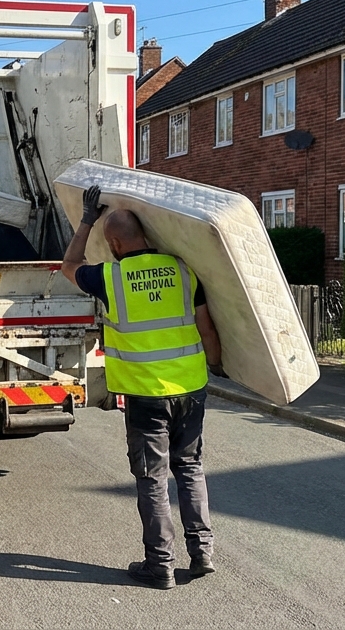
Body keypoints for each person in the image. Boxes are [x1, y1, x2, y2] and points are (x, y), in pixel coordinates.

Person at [60, 185, 225, 590]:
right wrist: (218, 364)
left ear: (114, 243)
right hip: (191, 389)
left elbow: (69, 265)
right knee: (190, 468)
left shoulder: (110, 277)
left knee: (153, 477)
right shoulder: (183, 270)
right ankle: (202, 551)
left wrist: (85, 218)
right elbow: (206, 327)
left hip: (145, 397)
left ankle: (161, 564)